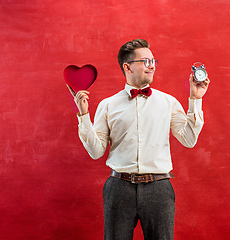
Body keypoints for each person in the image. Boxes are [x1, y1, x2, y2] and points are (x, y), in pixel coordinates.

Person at [71, 39, 210, 240]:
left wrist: (196, 99)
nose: (152, 65)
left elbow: (189, 140)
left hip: (159, 188)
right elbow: (96, 152)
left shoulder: (168, 102)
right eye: (145, 61)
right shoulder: (108, 105)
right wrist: (84, 116)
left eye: (153, 60)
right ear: (127, 67)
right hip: (119, 188)